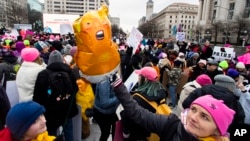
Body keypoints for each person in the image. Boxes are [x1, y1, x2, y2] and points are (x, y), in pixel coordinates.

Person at [110, 75, 235, 141]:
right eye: (193, 109)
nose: (193, 118)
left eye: (204, 117)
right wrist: (119, 86)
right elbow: (137, 112)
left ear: (218, 130)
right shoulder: (172, 124)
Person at [121, 66, 166, 140]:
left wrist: (125, 132)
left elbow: (128, 118)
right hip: (151, 133)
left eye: (139, 75)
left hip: (136, 134)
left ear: (145, 79)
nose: (138, 78)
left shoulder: (138, 98)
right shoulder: (161, 93)